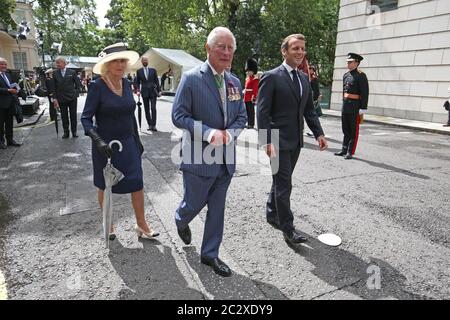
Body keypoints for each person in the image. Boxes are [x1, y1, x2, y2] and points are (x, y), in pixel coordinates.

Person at [172, 27, 247, 277]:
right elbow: (178, 115)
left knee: (217, 209)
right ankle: (181, 219)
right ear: (208, 48)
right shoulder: (191, 78)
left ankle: (210, 254)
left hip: (225, 160)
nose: (226, 53)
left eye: (230, 48)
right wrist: (207, 132)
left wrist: (230, 134)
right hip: (198, 158)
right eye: (221, 47)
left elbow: (242, 117)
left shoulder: (235, 81)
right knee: (193, 203)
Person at [81, 42, 159, 241]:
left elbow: (129, 114)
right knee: (105, 185)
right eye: (115, 61)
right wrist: (97, 140)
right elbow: (86, 118)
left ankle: (141, 224)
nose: (120, 64)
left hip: (129, 143)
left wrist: (137, 141)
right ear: (107, 64)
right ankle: (109, 223)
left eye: (123, 60)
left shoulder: (127, 84)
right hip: (105, 146)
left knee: (137, 183)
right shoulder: (96, 86)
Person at [257, 34, 328, 245]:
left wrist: (319, 134)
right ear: (284, 51)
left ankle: (272, 213)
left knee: (280, 181)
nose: (300, 52)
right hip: (277, 141)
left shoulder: (304, 78)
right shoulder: (271, 76)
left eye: (303, 49)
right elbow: (262, 112)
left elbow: (309, 111)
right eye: (295, 48)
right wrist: (266, 141)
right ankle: (288, 229)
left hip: (296, 141)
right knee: (284, 184)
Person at [334, 53, 369, 160]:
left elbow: (365, 92)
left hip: (355, 107)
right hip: (346, 105)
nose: (348, 63)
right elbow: (344, 92)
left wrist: (362, 108)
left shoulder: (361, 75)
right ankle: (344, 149)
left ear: (357, 63)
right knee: (345, 129)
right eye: (348, 62)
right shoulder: (346, 75)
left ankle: (350, 151)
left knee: (353, 130)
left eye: (350, 62)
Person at [50, 56, 81, 139]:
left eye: (58, 62)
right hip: (61, 98)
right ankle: (66, 132)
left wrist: (76, 94)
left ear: (64, 63)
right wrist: (55, 99)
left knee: (73, 115)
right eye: (56, 63)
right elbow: (53, 88)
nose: (57, 64)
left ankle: (74, 132)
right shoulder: (55, 73)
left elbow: (78, 84)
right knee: (64, 116)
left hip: (72, 98)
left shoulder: (72, 72)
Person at [134, 56, 161, 132]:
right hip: (144, 92)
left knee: (153, 108)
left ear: (148, 61)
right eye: (144, 60)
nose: (145, 61)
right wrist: (137, 90)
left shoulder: (153, 70)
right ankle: (149, 125)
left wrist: (159, 91)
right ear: (142, 62)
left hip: (153, 92)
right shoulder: (139, 71)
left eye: (146, 60)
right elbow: (137, 82)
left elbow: (156, 81)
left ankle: (154, 125)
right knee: (146, 109)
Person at [0, 57, 22, 149]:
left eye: (5, 64)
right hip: (1, 104)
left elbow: (10, 85)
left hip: (10, 103)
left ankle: (10, 140)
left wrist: (15, 90)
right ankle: (1, 142)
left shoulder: (7, 75)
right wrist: (8, 90)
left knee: (9, 123)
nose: (4, 66)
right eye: (2, 64)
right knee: (0, 124)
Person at [243, 57, 259, 129]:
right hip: (246, 97)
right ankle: (248, 123)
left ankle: (251, 124)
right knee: (247, 111)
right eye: (247, 71)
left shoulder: (255, 79)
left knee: (251, 111)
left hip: (250, 97)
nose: (248, 72)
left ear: (253, 71)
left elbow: (255, 89)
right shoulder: (247, 78)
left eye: (249, 71)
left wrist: (254, 96)